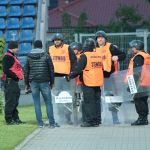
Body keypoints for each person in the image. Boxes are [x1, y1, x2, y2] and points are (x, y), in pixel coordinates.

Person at [24, 40, 59, 128]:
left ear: (34, 46)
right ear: (41, 46)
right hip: (44, 82)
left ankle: (40, 124)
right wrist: (52, 82)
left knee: (36, 103)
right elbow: (51, 69)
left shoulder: (28, 56)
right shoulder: (46, 56)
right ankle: (52, 123)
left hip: (33, 82)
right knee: (48, 102)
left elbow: (26, 71)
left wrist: (27, 84)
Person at [70, 38, 103, 127]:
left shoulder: (84, 56)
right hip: (98, 81)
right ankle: (97, 120)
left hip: (88, 81)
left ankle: (89, 121)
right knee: (97, 101)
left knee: (89, 102)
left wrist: (71, 75)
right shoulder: (98, 55)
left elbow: (78, 69)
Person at [95, 30, 126, 124]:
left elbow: (123, 55)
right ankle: (97, 119)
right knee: (97, 97)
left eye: (102, 38)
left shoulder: (110, 47)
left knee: (110, 97)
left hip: (109, 77)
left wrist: (117, 57)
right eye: (98, 38)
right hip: (96, 76)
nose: (100, 39)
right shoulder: (93, 48)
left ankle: (115, 118)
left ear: (105, 39)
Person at [48, 33, 77, 125]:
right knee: (58, 98)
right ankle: (60, 117)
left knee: (67, 97)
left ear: (62, 41)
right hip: (55, 78)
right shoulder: (50, 49)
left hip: (66, 77)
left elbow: (74, 61)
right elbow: (47, 62)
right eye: (55, 40)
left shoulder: (67, 48)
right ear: (53, 41)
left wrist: (71, 73)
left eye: (58, 40)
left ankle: (68, 117)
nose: (57, 41)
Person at [127, 40, 149, 125]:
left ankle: (141, 119)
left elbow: (137, 72)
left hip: (138, 82)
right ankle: (144, 118)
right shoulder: (146, 55)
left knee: (138, 101)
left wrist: (132, 85)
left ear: (137, 47)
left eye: (133, 47)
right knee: (143, 100)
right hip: (145, 82)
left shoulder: (138, 57)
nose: (132, 49)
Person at [2, 41, 24, 125]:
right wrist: (16, 76)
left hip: (14, 81)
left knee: (15, 101)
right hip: (10, 81)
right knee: (10, 101)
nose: (18, 49)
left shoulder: (13, 56)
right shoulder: (7, 57)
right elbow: (6, 70)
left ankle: (16, 118)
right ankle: (9, 119)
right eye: (16, 48)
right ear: (12, 48)